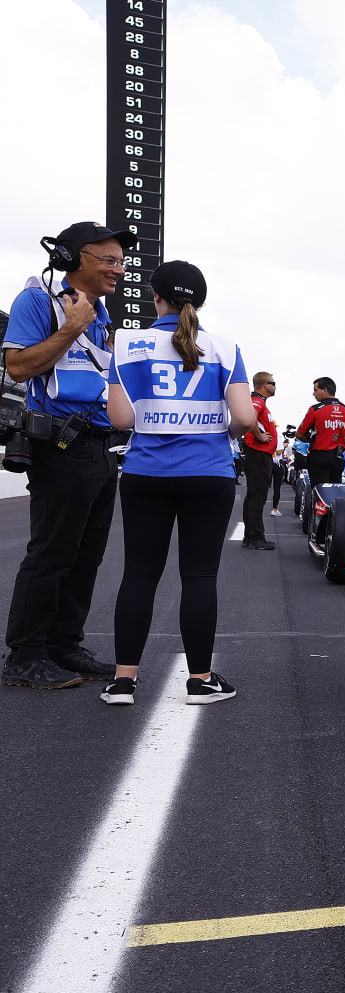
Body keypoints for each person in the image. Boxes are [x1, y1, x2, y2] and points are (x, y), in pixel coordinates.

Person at [100, 260, 256, 705]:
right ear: (200, 302)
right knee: (200, 576)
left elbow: (120, 418)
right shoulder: (224, 348)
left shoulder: (128, 344)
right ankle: (200, 680)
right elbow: (245, 417)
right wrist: (217, 430)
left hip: (146, 473)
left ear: (157, 297)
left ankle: (122, 682)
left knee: (139, 575)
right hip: (208, 475)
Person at [1, 221, 132, 688]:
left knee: (86, 555)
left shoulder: (100, 313)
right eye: (109, 260)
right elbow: (17, 365)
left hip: (98, 447)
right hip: (59, 443)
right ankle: (24, 655)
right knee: (52, 552)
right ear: (76, 258)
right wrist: (70, 327)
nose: (119, 269)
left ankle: (63, 645)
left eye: (121, 260)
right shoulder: (38, 300)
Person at [240, 371, 279, 550]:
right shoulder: (257, 400)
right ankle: (257, 537)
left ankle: (250, 536)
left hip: (258, 454)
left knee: (253, 496)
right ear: (266, 385)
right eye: (273, 383)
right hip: (258, 453)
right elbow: (249, 416)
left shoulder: (259, 401)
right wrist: (259, 436)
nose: (275, 386)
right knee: (258, 497)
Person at [295, 378, 345, 486]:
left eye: (315, 390)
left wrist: (311, 440)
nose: (313, 393)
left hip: (320, 456)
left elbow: (299, 434)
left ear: (325, 390)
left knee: (319, 492)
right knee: (335, 492)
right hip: (339, 457)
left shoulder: (315, 409)